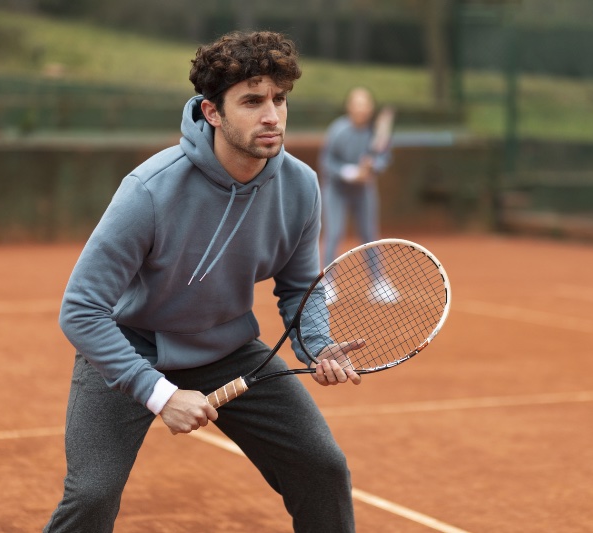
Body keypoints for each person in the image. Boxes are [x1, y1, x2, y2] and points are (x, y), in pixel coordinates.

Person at [43, 31, 364, 533]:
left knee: (323, 468)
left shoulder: (300, 186)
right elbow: (81, 309)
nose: (272, 116)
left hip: (228, 348)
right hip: (134, 347)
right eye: (252, 101)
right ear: (212, 112)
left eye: (279, 99)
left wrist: (317, 344)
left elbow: (299, 287)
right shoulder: (149, 190)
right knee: (92, 495)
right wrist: (160, 395)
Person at [318, 87, 396, 305]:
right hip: (336, 191)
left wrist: (373, 167)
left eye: (365, 104)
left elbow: (384, 158)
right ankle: (327, 283)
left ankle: (378, 282)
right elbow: (326, 162)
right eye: (357, 104)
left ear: (370, 108)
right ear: (349, 107)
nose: (362, 109)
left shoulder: (376, 133)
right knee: (334, 233)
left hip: (364, 192)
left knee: (370, 235)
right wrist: (351, 172)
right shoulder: (338, 131)